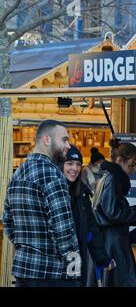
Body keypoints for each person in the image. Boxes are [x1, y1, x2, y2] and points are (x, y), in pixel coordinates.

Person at [3, 120, 81, 287]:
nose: (68, 146)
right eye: (64, 140)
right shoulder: (54, 176)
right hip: (53, 274)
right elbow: (63, 230)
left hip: (24, 271)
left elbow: (8, 222)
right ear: (47, 140)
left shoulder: (18, 175)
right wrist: (74, 267)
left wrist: (27, 248)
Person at [93, 138, 136, 287]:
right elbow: (114, 213)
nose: (133, 170)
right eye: (132, 165)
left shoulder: (107, 177)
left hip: (110, 241)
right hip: (112, 243)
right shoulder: (112, 179)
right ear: (120, 160)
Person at [61, 145, 114, 287]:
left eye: (78, 164)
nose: (74, 168)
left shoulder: (82, 193)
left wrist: (102, 258)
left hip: (77, 260)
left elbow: (91, 228)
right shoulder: (55, 191)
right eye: (69, 163)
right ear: (61, 165)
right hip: (56, 263)